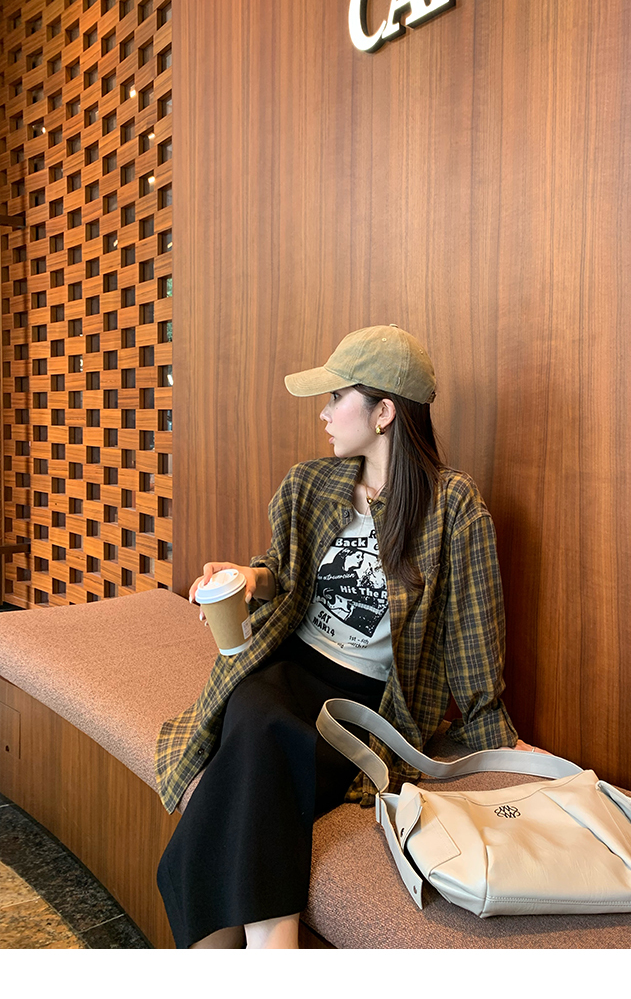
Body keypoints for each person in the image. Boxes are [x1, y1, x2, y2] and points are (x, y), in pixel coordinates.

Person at [155, 324, 533, 950]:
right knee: (258, 713)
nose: (325, 414)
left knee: (256, 732)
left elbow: (475, 636)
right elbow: (283, 570)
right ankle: (274, 947)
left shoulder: (452, 507)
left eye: (337, 397)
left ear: (384, 412)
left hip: (366, 706)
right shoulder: (312, 484)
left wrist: (497, 737)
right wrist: (249, 577)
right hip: (290, 663)